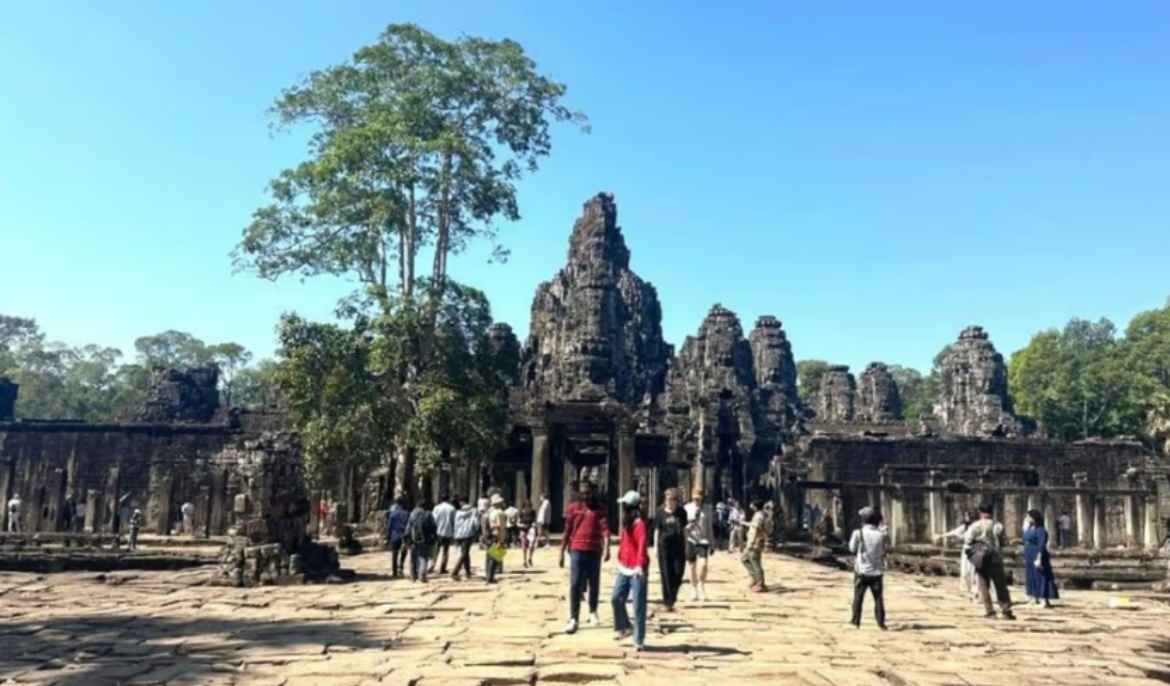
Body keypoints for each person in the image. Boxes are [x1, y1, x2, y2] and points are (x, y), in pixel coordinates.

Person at [560, 480, 609, 633]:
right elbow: (567, 531)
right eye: (583, 492)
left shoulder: (600, 509)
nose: (585, 495)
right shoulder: (573, 509)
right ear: (578, 493)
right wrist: (561, 552)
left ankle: (593, 611)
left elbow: (605, 530)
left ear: (592, 492)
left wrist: (607, 548)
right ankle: (574, 617)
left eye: (588, 492)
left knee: (594, 582)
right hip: (577, 549)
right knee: (575, 583)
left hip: (594, 549)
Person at [612, 490, 649, 652]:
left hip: (637, 569)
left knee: (638, 605)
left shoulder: (639, 524)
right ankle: (625, 626)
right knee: (616, 598)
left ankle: (638, 639)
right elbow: (624, 542)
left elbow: (642, 545)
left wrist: (640, 566)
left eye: (624, 506)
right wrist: (619, 556)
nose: (622, 508)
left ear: (630, 507)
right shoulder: (626, 522)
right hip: (624, 566)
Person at [964, 503, 1016, 620]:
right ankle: (1006, 610)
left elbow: (967, 540)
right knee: (1000, 584)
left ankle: (990, 611)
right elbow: (1003, 542)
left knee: (983, 584)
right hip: (996, 557)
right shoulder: (998, 525)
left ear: (980, 512)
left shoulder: (975, 525)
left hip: (981, 557)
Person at [849, 507, 888, 629]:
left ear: (863, 520)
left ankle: (855, 621)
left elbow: (852, 549)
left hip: (862, 571)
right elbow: (883, 551)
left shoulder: (858, 533)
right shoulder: (880, 535)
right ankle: (881, 623)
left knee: (858, 597)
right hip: (877, 572)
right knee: (878, 598)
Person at [654, 487, 688, 612]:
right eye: (669, 499)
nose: (671, 501)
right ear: (665, 499)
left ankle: (673, 595)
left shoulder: (681, 512)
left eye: (674, 499)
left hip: (679, 547)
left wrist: (686, 545)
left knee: (679, 573)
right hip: (664, 547)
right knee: (666, 574)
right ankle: (668, 601)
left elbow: (684, 530)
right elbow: (657, 530)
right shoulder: (659, 512)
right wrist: (655, 548)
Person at [934, 510, 979, 602]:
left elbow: (969, 537)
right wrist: (941, 536)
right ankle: (968, 590)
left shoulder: (976, 526)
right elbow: (954, 532)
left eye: (967, 516)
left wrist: (961, 537)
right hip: (966, 550)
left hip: (975, 550)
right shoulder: (965, 527)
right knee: (965, 571)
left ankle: (976, 592)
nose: (966, 518)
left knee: (974, 571)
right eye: (965, 516)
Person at [1023, 509, 1059, 608]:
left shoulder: (1041, 530)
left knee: (1042, 577)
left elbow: (1042, 544)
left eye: (1028, 516)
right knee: (1031, 576)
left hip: (1038, 554)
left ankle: (1044, 598)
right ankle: (1034, 596)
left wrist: (1039, 557)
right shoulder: (1029, 529)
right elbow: (1026, 539)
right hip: (1029, 555)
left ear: (1034, 518)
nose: (1027, 518)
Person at [684, 488, 715, 601]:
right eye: (695, 498)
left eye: (699, 498)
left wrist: (712, 543)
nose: (697, 500)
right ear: (692, 497)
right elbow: (683, 525)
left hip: (703, 540)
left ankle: (701, 585)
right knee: (691, 566)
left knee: (703, 565)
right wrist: (688, 526)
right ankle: (693, 588)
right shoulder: (687, 508)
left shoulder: (707, 509)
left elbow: (710, 527)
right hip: (690, 539)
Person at [742, 497, 773, 592]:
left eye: (752, 504)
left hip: (755, 542)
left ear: (755, 506)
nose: (750, 506)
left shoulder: (759, 516)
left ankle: (760, 583)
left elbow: (756, 528)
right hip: (754, 541)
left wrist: (751, 543)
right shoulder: (759, 515)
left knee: (755, 562)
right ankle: (755, 578)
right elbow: (753, 525)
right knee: (745, 559)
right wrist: (743, 523)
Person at [406, 499, 437, 583]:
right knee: (423, 557)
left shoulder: (412, 514)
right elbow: (433, 527)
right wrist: (433, 537)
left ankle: (413, 577)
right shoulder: (428, 514)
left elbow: (408, 528)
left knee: (413, 558)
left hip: (413, 539)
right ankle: (422, 576)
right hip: (425, 539)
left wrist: (407, 539)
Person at [451, 497, 479, 581]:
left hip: (459, 534)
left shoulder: (457, 512)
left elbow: (455, 524)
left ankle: (468, 572)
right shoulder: (474, 511)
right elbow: (476, 523)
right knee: (464, 553)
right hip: (468, 534)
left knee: (466, 553)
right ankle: (455, 572)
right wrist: (476, 530)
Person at [431, 493, 456, 575]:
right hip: (448, 532)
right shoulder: (452, 508)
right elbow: (453, 521)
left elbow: (434, 520)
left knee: (435, 550)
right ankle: (443, 568)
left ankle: (431, 566)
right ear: (448, 499)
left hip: (438, 532)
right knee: (445, 551)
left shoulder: (436, 508)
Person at [485, 494, 507, 583]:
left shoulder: (491, 512)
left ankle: (489, 576)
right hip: (498, 535)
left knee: (491, 556)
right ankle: (490, 577)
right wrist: (500, 539)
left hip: (491, 535)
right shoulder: (500, 513)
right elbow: (498, 526)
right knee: (495, 557)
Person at [386, 498, 410, 578]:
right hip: (404, 536)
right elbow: (409, 526)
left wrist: (388, 537)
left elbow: (389, 527)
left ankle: (394, 571)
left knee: (394, 554)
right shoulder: (406, 514)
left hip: (394, 536)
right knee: (404, 552)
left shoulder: (392, 514)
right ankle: (401, 567)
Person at [519, 499, 537, 568]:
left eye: (529, 506)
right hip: (523, 530)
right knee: (524, 546)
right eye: (527, 506)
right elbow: (518, 522)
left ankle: (530, 557)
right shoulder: (521, 513)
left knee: (532, 545)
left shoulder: (533, 512)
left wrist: (533, 524)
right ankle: (524, 561)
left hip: (531, 530)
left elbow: (535, 520)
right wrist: (522, 525)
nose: (528, 508)